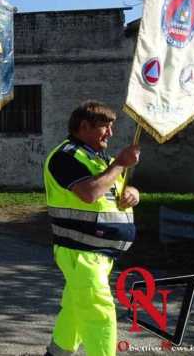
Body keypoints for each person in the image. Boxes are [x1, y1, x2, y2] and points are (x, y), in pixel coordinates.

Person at [43, 101, 140, 356]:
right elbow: (90, 192)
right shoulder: (66, 156)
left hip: (98, 253)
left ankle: (57, 353)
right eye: (104, 127)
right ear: (83, 127)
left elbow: (113, 191)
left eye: (111, 127)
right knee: (99, 312)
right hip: (80, 251)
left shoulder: (98, 158)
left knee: (77, 307)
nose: (110, 133)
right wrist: (120, 163)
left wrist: (132, 192)